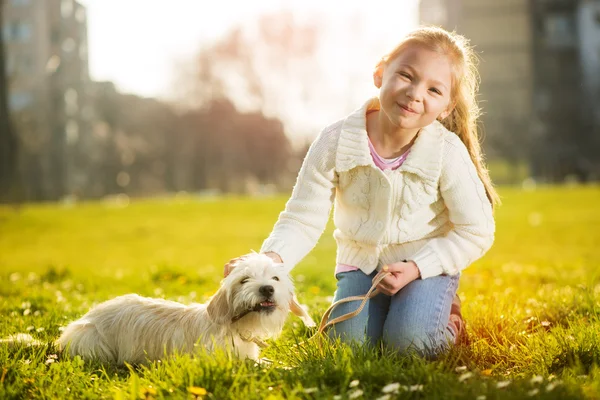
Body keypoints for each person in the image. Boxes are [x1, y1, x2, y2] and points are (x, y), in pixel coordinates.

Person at [225, 26, 499, 356]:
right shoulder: (335, 141)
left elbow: (477, 231)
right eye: (407, 76)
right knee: (347, 348)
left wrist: (416, 268)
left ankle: (450, 322)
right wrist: (269, 261)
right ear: (381, 74)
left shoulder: (447, 152)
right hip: (361, 267)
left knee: (408, 346)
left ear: (446, 107)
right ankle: (385, 316)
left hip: (426, 268)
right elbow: (302, 218)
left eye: (434, 90)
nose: (415, 93)